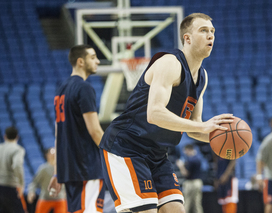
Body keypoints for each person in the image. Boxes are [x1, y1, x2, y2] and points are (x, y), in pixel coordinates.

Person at [99, 13, 234, 213]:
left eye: (212, 31)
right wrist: (202, 126)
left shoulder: (202, 76)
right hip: (126, 147)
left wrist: (222, 138)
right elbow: (154, 114)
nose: (210, 35)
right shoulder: (170, 63)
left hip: (158, 154)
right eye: (203, 30)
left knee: (176, 210)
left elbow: (194, 129)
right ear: (187, 38)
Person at [47, 45, 105, 213]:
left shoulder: (60, 90)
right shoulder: (84, 88)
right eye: (93, 57)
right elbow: (95, 131)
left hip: (69, 170)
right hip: (87, 168)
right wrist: (115, 155)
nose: (98, 61)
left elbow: (59, 134)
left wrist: (57, 172)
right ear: (81, 61)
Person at [27, 147, 67, 213]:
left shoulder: (62, 168)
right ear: (47, 155)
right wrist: (31, 192)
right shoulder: (43, 169)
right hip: (45, 198)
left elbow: (67, 182)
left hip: (60, 198)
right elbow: (34, 182)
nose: (54, 154)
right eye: (52, 152)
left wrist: (67, 191)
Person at [176, 144, 204, 213]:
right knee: (197, 204)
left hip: (191, 183)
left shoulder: (191, 160)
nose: (185, 153)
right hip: (198, 182)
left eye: (185, 151)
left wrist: (180, 166)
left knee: (187, 203)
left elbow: (185, 173)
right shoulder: (198, 158)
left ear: (189, 149)